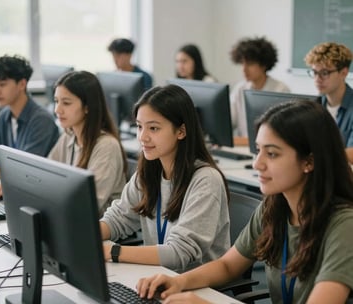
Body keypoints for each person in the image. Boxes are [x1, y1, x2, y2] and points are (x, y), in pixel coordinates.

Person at [136, 100, 353, 304]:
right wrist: (179, 282)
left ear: (309, 161)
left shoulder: (344, 225)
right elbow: (228, 266)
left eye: (272, 154)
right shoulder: (274, 208)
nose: (257, 164)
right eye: (258, 151)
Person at [99, 84, 230, 273]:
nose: (142, 137)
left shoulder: (206, 180)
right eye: (139, 126)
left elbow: (178, 254)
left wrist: (114, 251)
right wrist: (88, 236)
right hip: (157, 276)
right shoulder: (150, 171)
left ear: (181, 131)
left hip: (196, 288)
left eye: (153, 128)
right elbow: (120, 217)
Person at [48, 71, 127, 216]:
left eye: (66, 103)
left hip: (99, 229)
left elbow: (88, 203)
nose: (57, 109)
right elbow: (46, 176)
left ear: (87, 107)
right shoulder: (68, 136)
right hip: (70, 219)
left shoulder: (107, 146)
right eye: (56, 101)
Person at [0, 54, 59, 180]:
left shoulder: (41, 120)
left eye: (2, 84)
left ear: (22, 84)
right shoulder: (5, 115)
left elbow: (23, 168)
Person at [229, 37, 290, 143]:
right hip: (242, 147)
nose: (244, 69)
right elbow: (230, 121)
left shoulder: (280, 90)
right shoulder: (240, 88)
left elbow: (283, 131)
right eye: (242, 63)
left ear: (264, 65)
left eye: (250, 64)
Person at [304, 42, 353, 164]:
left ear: (344, 72)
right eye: (315, 72)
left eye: (325, 73)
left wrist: (315, 159)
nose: (317, 79)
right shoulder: (314, 105)